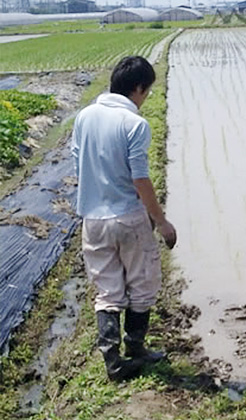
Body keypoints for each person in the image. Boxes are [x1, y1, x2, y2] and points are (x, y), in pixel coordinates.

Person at [71, 56, 177, 381]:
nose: (145, 99)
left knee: (107, 290)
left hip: (93, 219)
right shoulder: (134, 124)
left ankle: (113, 363)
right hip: (128, 218)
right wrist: (161, 222)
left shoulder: (84, 116)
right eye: (146, 92)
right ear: (138, 88)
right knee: (143, 283)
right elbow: (140, 179)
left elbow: (79, 165)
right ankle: (136, 348)